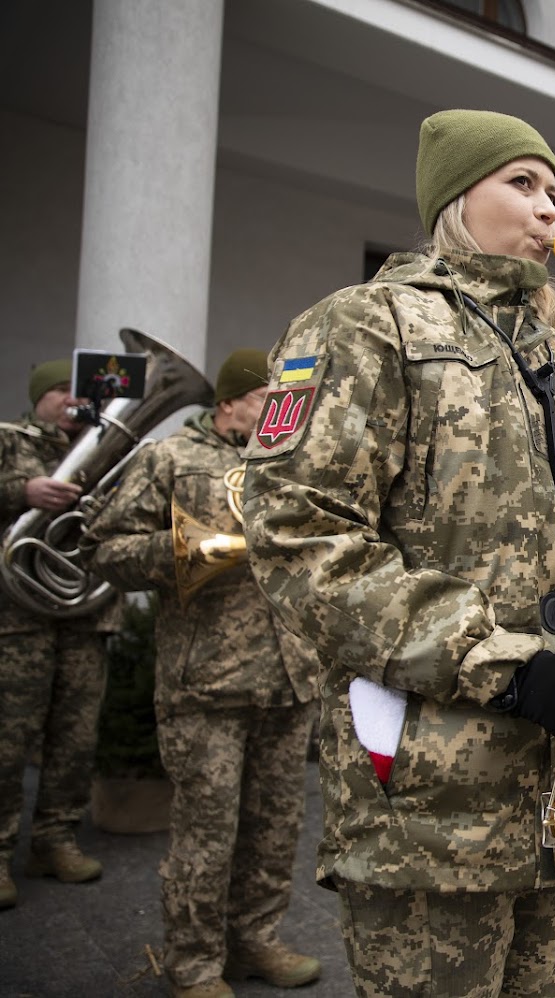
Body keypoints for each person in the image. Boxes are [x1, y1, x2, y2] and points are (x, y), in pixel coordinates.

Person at [240, 109, 555, 998]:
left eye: (553, 191)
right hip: (431, 799)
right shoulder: (363, 325)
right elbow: (299, 540)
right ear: (455, 198)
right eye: (521, 183)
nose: (548, 209)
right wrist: (510, 667)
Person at [80, 350, 321, 998]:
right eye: (267, 398)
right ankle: (194, 964)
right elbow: (103, 548)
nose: (281, 409)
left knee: (275, 830)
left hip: (289, 677)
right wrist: (189, 549)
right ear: (229, 403)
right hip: (206, 681)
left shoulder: (290, 464)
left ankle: (256, 941)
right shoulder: (170, 459)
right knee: (206, 836)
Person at [0, 359, 121, 911]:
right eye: (59, 391)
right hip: (18, 614)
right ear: (38, 398)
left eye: (80, 391)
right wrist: (20, 491)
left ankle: (54, 839)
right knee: (9, 736)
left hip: (83, 612)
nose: (73, 400)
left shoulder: (106, 448)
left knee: (76, 735)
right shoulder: (9, 440)